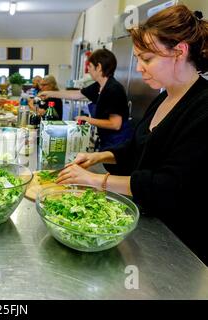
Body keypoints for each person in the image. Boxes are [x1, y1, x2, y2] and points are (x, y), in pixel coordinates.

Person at [55, 5, 208, 264]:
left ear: (180, 52)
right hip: (151, 230)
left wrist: (96, 182)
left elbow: (167, 185)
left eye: (147, 58)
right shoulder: (164, 99)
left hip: (182, 248)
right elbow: (139, 148)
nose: (138, 68)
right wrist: (98, 156)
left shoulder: (202, 108)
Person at [41, 49, 131, 151]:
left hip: (118, 141)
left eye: (90, 66)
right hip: (107, 138)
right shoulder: (99, 86)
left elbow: (115, 124)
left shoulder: (114, 89)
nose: (88, 69)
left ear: (99, 67)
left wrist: (87, 119)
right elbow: (77, 94)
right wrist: (50, 93)